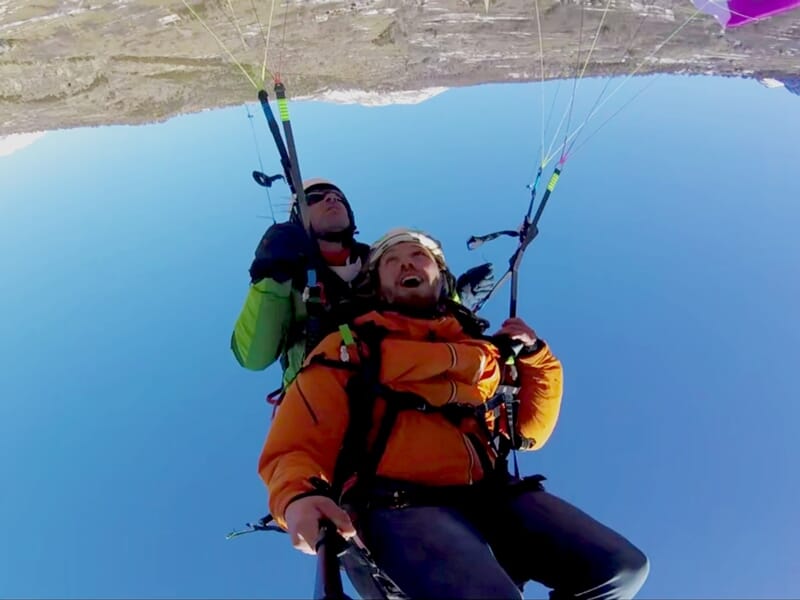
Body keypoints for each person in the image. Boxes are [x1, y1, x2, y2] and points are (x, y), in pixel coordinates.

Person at [257, 228, 650, 599]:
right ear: (377, 284)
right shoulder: (351, 347)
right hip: (397, 503)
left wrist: (535, 357)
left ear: (441, 277)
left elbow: (528, 432)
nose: (408, 264)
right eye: (392, 260)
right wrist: (297, 497)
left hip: (494, 496)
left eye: (418, 256)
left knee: (619, 568)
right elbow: (300, 434)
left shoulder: (487, 354)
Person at [231, 179, 495, 393]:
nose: (331, 199)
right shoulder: (288, 281)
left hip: (409, 391)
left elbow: (427, 312)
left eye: (338, 197)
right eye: (314, 197)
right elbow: (254, 356)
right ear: (296, 219)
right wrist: (270, 275)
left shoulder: (386, 262)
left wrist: (456, 298)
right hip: (323, 406)